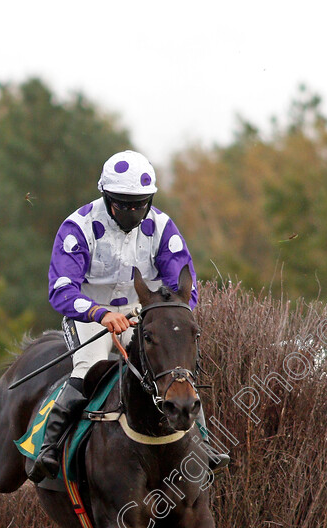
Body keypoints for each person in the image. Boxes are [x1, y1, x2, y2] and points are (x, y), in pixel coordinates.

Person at [29, 150, 229, 483]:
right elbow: (61, 289)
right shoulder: (77, 227)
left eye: (141, 204)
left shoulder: (163, 228)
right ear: (107, 197)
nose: (133, 212)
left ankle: (204, 442)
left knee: (174, 366)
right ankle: (49, 448)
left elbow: (183, 288)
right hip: (88, 314)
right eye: (124, 205)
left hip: (142, 313)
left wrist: (158, 317)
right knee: (88, 367)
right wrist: (100, 313)